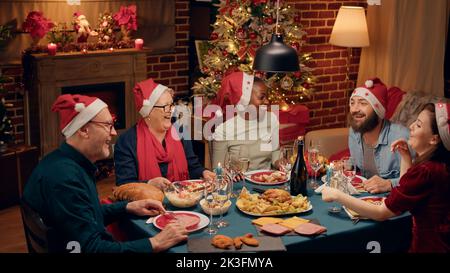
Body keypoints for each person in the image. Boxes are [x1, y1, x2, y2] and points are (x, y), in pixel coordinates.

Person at [23, 94, 188, 253]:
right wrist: (156, 242)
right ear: (84, 130)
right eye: (108, 125)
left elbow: (85, 216)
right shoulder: (65, 179)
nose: (114, 132)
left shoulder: (64, 163)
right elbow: (93, 248)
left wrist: (128, 207)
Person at [323, 102, 450, 252]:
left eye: (419, 125)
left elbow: (381, 213)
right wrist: (405, 156)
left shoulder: (425, 171)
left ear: (434, 139)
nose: (411, 126)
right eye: (415, 121)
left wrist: (337, 195)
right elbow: (405, 191)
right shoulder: (438, 165)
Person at [114, 79, 216, 186]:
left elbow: (192, 166)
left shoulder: (180, 131)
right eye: (165, 106)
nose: (171, 111)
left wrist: (203, 172)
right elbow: (124, 184)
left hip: (182, 197)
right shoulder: (127, 141)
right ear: (148, 111)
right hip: (147, 201)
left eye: (172, 105)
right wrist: (149, 183)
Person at [348, 78, 411, 193]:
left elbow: (417, 179)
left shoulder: (402, 136)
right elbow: (355, 164)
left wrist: (389, 184)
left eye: (363, 103)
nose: (355, 109)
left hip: (393, 202)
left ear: (378, 110)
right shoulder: (354, 131)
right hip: (367, 198)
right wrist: (347, 165)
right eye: (352, 103)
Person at [211, 71, 280, 171]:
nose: (267, 101)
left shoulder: (272, 119)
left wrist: (278, 162)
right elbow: (217, 169)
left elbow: (275, 152)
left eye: (267, 97)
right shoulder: (224, 130)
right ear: (245, 99)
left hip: (267, 181)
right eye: (262, 97)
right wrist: (227, 173)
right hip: (239, 184)